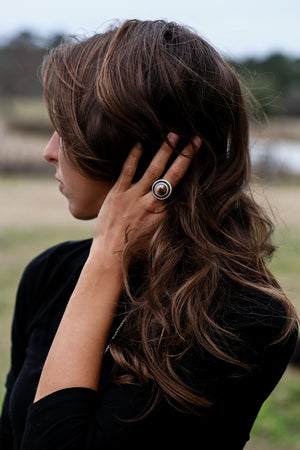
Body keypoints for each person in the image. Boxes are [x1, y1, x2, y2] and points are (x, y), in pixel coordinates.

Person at [0, 19, 298, 450]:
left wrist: (107, 257)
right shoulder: (50, 273)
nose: (49, 151)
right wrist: (104, 257)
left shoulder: (242, 322)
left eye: (67, 132)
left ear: (137, 150)